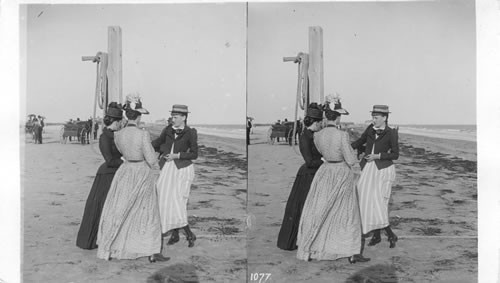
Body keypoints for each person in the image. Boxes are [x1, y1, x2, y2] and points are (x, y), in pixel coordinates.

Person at [296, 96, 370, 264]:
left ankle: (316, 246)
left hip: (324, 172)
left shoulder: (318, 135)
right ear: (337, 116)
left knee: (321, 209)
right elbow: (350, 159)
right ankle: (351, 251)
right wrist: (358, 164)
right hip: (340, 172)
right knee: (347, 213)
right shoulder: (342, 135)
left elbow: (322, 153)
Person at [97, 94, 169, 262]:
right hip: (140, 171)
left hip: (125, 170)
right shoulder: (142, 134)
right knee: (146, 211)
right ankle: (150, 251)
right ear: (138, 116)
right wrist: (158, 166)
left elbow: (123, 152)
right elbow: (151, 158)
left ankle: (115, 246)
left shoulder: (118, 134)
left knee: (120, 208)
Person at [351, 105, 399, 249]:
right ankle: (381, 234)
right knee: (365, 197)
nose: (373, 120)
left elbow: (395, 154)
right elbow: (360, 142)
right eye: (372, 117)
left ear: (384, 118)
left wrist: (378, 156)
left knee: (378, 201)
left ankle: (386, 234)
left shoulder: (391, 133)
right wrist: (345, 147)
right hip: (367, 167)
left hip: (382, 169)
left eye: (376, 117)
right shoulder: (370, 129)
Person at [77, 103, 124, 250]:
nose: (120, 124)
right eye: (119, 122)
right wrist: (125, 160)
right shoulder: (105, 137)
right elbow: (109, 160)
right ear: (115, 122)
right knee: (102, 207)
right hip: (107, 175)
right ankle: (95, 239)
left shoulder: (116, 135)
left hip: (117, 173)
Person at [277, 103, 323, 250]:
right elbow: (309, 161)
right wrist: (324, 160)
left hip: (313, 174)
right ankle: (297, 241)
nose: (320, 125)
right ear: (314, 123)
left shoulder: (311, 135)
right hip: (307, 176)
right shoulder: (304, 137)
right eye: (319, 123)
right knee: (303, 208)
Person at [152, 104, 198, 248]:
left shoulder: (190, 132)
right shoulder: (167, 130)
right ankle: (178, 233)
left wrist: (178, 155)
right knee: (164, 200)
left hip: (182, 169)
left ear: (184, 117)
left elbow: (194, 154)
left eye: (175, 117)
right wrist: (141, 143)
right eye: (172, 116)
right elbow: (157, 143)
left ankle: (185, 233)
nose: (173, 119)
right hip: (166, 168)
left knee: (178, 201)